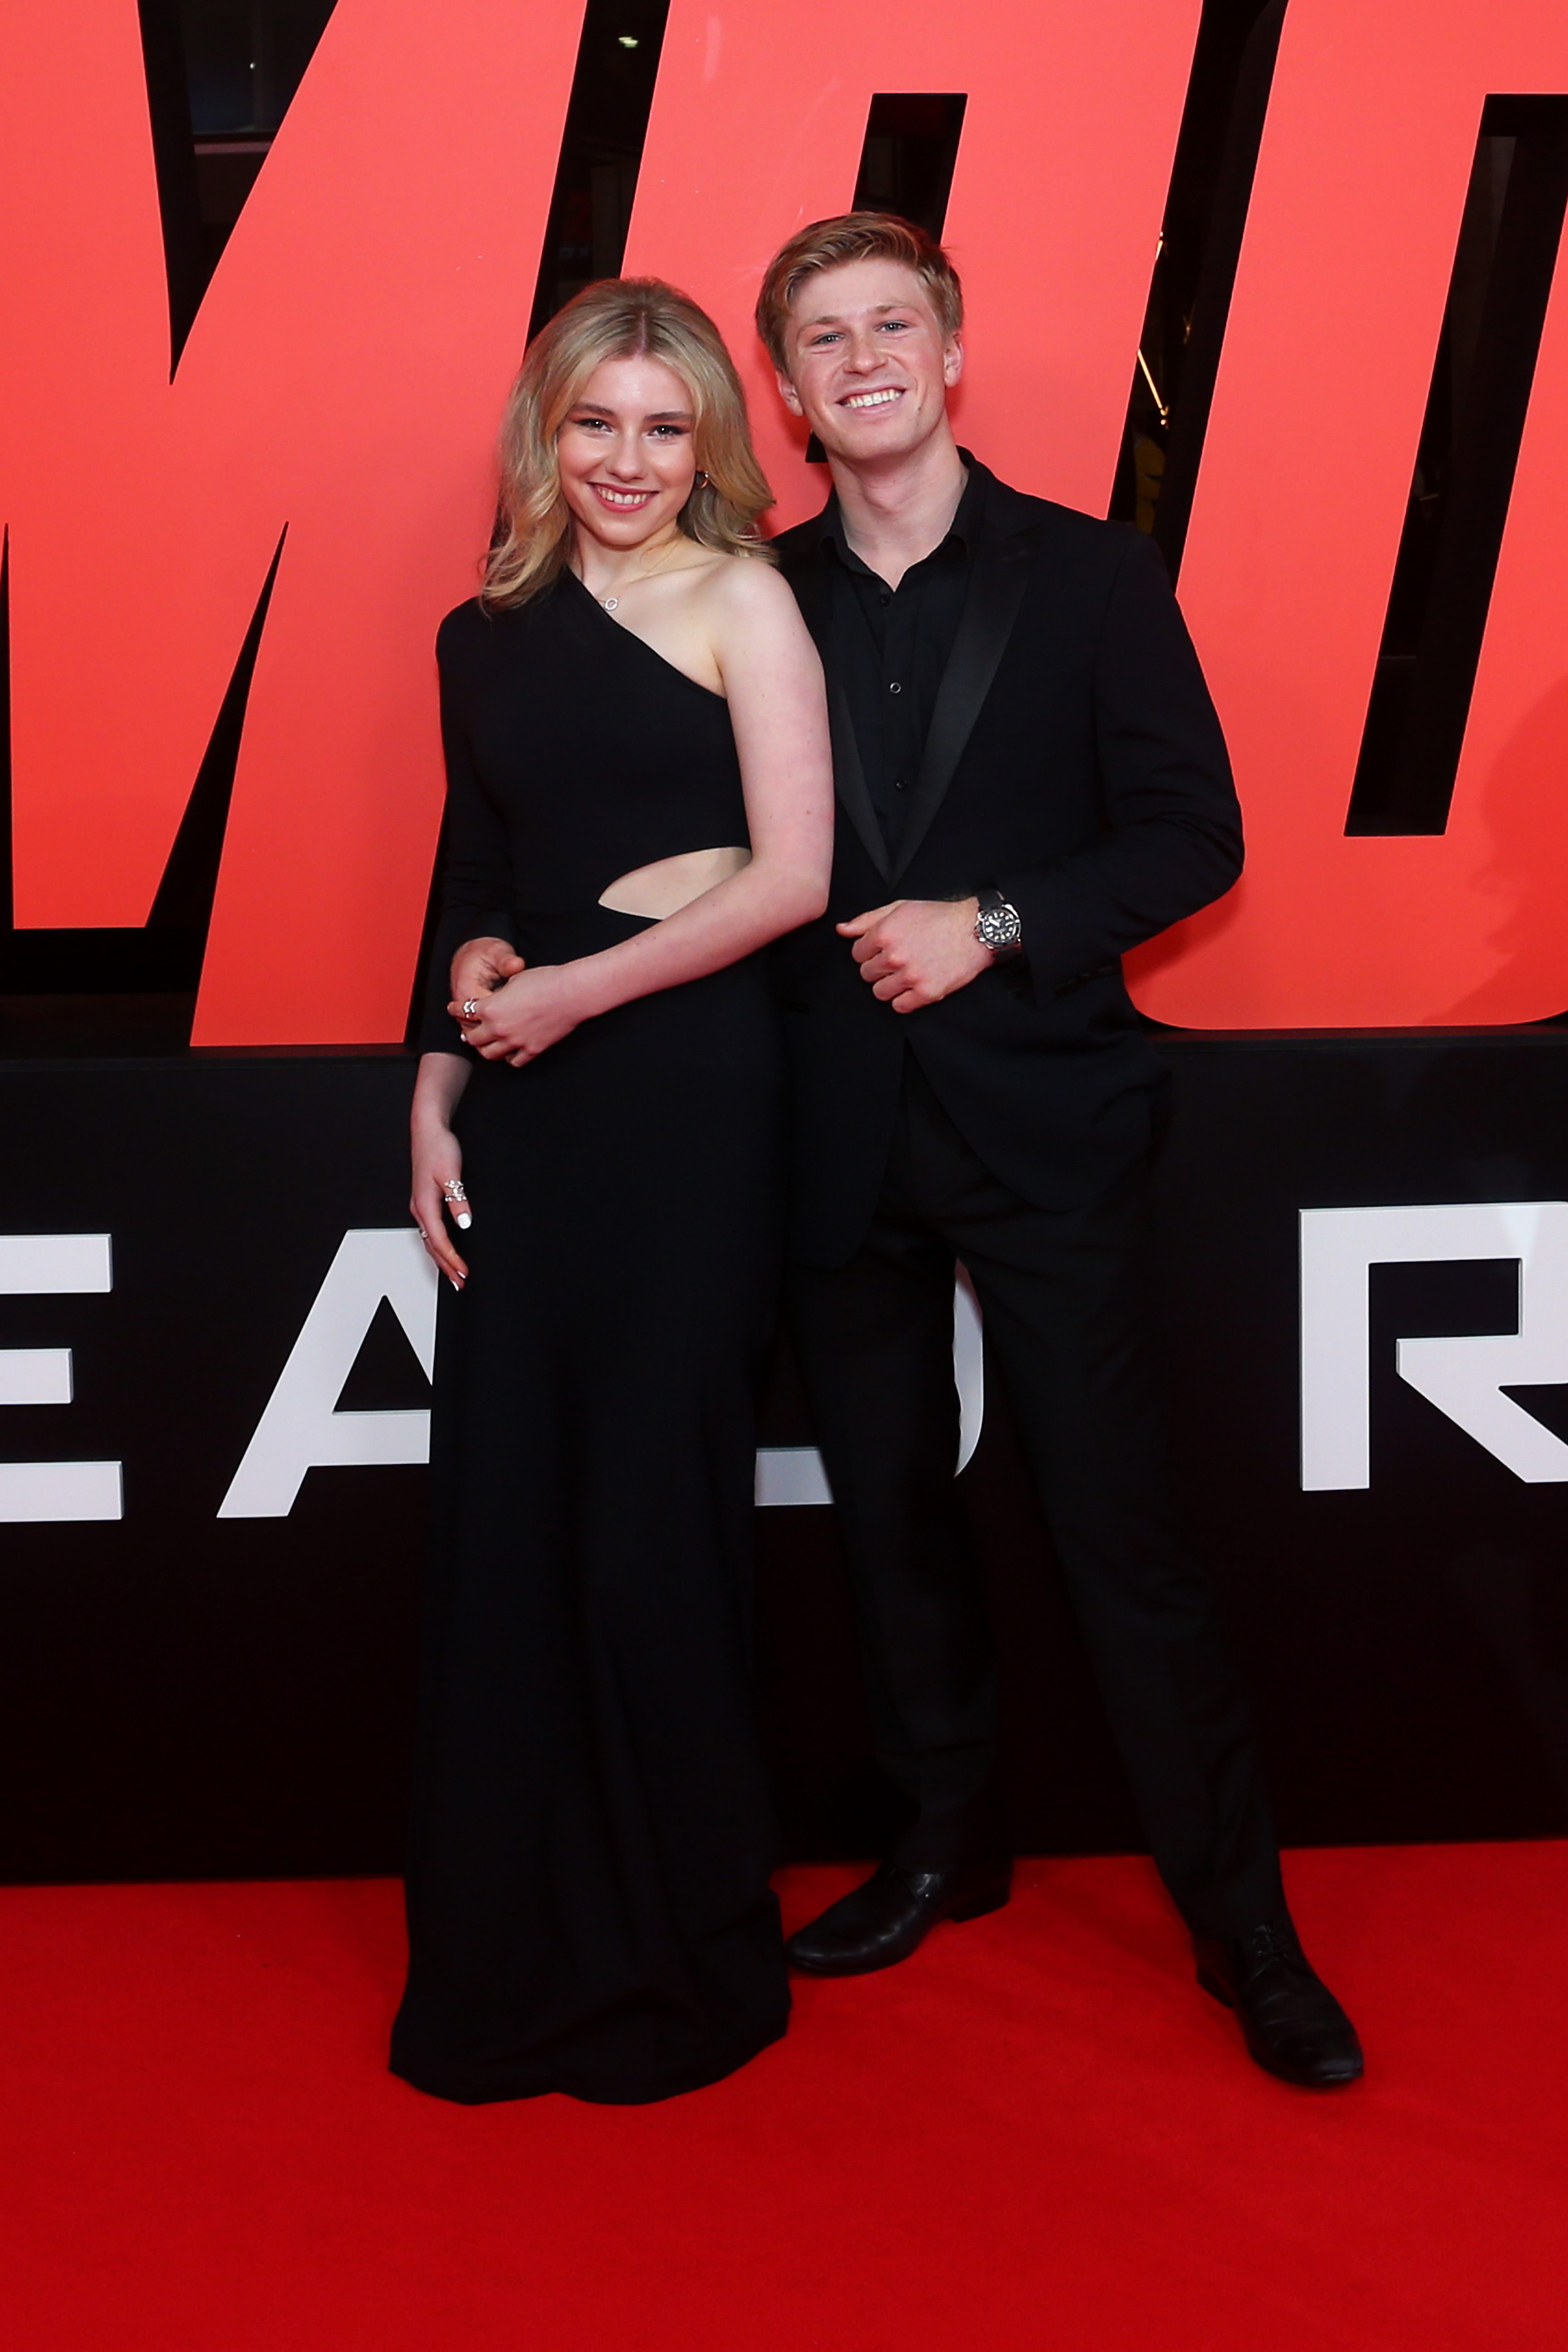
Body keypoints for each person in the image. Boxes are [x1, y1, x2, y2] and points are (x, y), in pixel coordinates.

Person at [750, 213, 1362, 2088]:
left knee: (1124, 1536)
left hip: (1046, 1127)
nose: (863, 358)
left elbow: (1194, 836)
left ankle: (1246, 1932)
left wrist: (993, 923)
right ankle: (948, 1844)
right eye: (825, 336)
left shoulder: (1092, 576)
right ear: (786, 391)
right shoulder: (749, 595)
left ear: (952, 354)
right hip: (827, 1140)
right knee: (887, 1525)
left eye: (893, 324)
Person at [391, 278, 833, 2106]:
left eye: (665, 427)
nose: (629, 462)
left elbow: (794, 877)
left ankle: (675, 1947)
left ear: (710, 439)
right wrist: (437, 1087)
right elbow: (475, 877)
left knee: (657, 1506)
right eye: (596, 425)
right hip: (525, 1101)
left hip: (685, 1093)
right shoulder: (481, 634)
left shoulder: (744, 597)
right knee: (513, 1511)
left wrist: (576, 993)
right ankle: (514, 1950)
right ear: (546, 433)